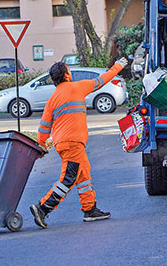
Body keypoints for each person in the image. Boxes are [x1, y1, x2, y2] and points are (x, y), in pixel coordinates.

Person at [30, 58, 128, 228]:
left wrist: (41, 144)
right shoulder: (78, 87)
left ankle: (90, 209)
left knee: (83, 174)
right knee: (69, 178)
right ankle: (43, 207)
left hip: (63, 143)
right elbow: (103, 80)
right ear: (67, 75)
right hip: (73, 142)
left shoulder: (52, 98)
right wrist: (119, 65)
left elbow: (44, 126)